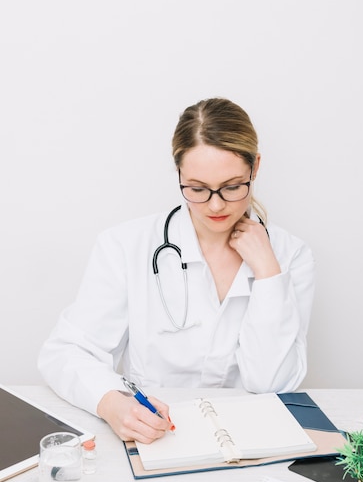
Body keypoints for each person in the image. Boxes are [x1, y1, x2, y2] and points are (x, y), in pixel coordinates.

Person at [38, 97, 315, 445]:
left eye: (232, 187)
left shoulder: (291, 256)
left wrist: (268, 273)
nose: (216, 205)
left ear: (255, 168)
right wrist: (111, 404)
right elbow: (65, 351)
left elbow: (271, 384)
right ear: (179, 173)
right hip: (154, 440)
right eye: (197, 189)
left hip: (251, 445)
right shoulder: (126, 246)